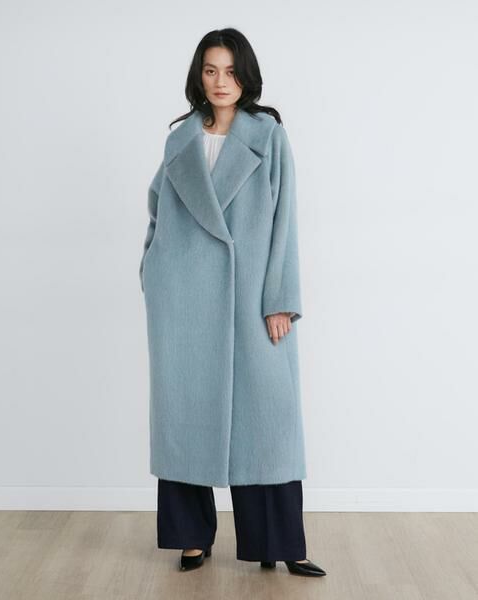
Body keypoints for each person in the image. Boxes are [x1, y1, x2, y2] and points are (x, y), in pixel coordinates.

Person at [139, 28, 326, 578]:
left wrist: (280, 300)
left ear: (246, 74)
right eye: (210, 70)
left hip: (252, 298)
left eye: (230, 70)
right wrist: (151, 269)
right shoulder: (180, 140)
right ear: (198, 76)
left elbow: (285, 220)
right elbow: (157, 209)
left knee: (268, 422)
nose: (221, 82)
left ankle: (280, 544)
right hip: (183, 300)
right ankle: (191, 537)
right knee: (184, 418)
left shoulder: (268, 136)